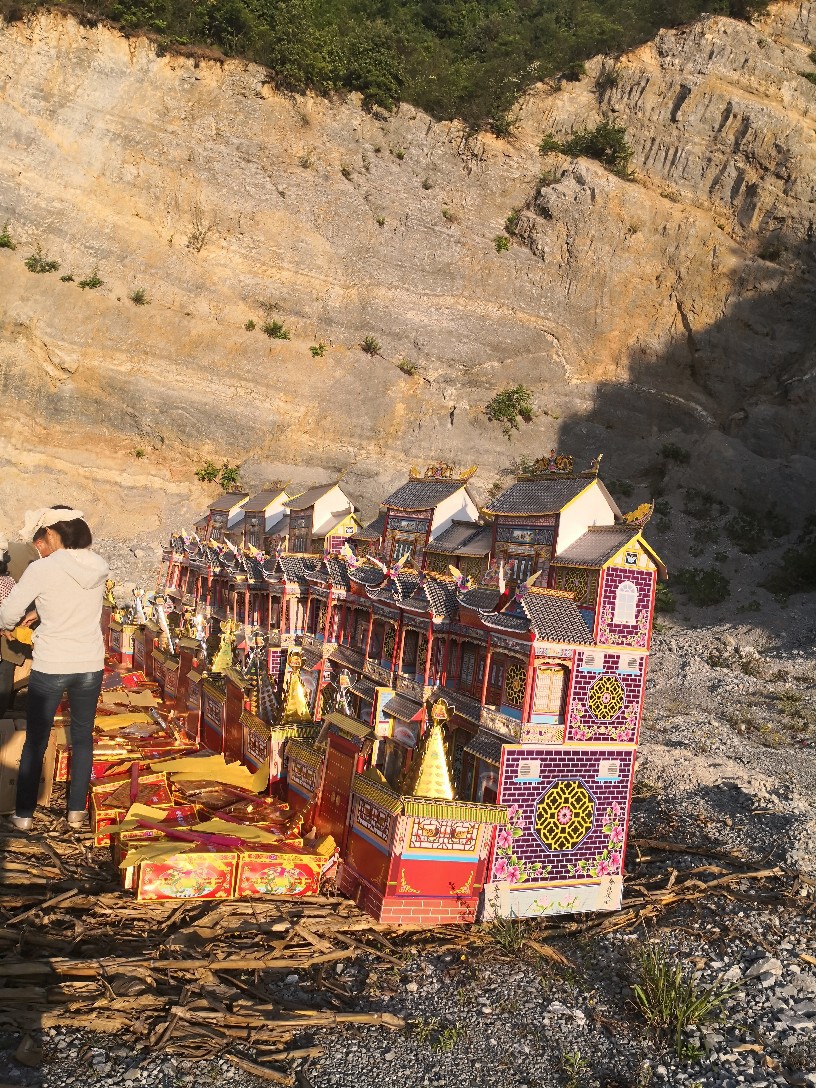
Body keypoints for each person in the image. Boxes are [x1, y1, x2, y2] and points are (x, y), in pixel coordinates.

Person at [0, 508, 109, 831]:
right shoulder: (98, 565)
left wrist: (12, 624)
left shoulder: (42, 569)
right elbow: (70, 600)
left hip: (52, 662)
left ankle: (24, 814)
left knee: (36, 738)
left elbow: (8, 612)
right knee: (82, 736)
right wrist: (39, 612)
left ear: (50, 533)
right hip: (90, 662)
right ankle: (76, 813)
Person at [0, 527, 52, 717]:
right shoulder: (29, 562)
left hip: (10, 628)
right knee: (5, 673)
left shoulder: (17, 553)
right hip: (9, 634)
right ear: (40, 543)